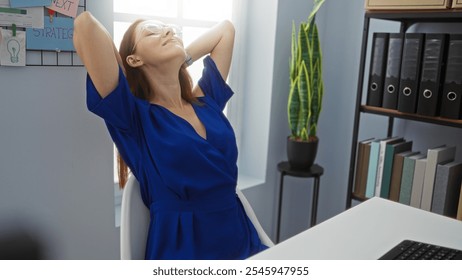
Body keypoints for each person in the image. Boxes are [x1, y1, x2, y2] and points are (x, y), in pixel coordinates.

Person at [73, 11, 267, 260]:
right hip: (185, 252)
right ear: (134, 59)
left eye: (170, 29)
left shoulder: (206, 102)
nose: (168, 31)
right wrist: (122, 68)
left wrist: (182, 58)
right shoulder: (135, 118)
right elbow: (85, 25)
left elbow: (225, 30)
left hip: (243, 242)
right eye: (153, 31)